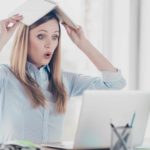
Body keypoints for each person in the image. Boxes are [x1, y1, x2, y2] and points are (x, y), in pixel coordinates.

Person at [0, 11, 126, 144]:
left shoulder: (65, 80)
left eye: (55, 37)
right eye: (41, 36)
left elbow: (115, 83)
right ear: (24, 40)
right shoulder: (6, 76)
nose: (50, 44)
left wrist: (83, 44)